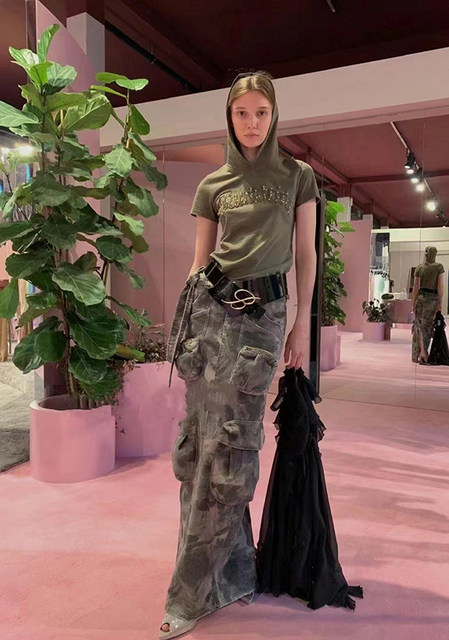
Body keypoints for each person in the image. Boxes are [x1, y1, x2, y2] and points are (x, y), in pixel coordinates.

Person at [160, 71, 319, 638]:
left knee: (231, 444)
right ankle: (231, 573)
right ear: (229, 118)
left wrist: (301, 326)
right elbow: (199, 264)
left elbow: (306, 253)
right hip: (211, 314)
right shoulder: (214, 184)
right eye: (241, 113)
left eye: (261, 112)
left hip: (264, 318)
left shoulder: (298, 177)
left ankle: (191, 590)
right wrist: (186, 325)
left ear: (274, 116)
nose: (252, 123)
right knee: (198, 443)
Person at [411, 246, 444, 364]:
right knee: (427, 327)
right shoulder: (438, 267)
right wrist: (440, 302)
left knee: (418, 326)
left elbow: (415, 288)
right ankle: (424, 352)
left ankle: (416, 354)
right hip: (432, 299)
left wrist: (413, 302)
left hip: (421, 298)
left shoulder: (419, 267)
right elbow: (440, 287)